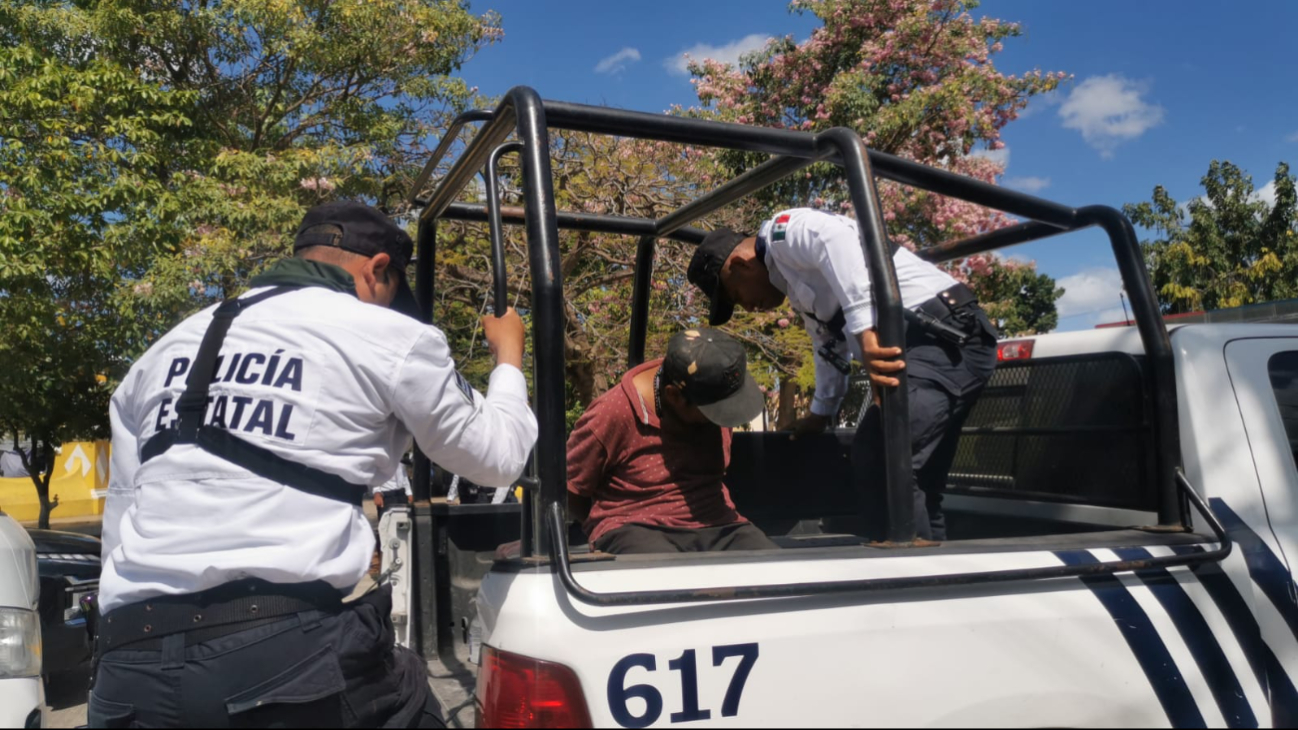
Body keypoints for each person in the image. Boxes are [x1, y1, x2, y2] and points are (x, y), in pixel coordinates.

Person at [97, 201, 537, 728]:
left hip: (127, 663)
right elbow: (499, 457)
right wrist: (508, 361)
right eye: (393, 290)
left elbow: (122, 511)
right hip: (284, 654)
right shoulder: (389, 335)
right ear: (377, 270)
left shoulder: (161, 351)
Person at [687, 208, 998, 542]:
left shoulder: (785, 232)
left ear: (740, 265)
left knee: (881, 453)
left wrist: (865, 331)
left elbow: (835, 240)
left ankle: (907, 572)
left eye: (736, 296)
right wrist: (820, 415)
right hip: (927, 349)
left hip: (944, 337)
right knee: (919, 480)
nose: (748, 307)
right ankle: (935, 573)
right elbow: (827, 344)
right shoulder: (798, 286)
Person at [567, 328, 778, 554]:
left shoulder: (716, 393)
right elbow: (571, 486)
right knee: (667, 577)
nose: (722, 420)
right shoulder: (613, 412)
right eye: (714, 413)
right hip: (635, 526)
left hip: (718, 522)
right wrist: (599, 531)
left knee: (775, 570)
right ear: (674, 396)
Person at [373, 455, 413, 521]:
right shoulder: (381, 457)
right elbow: (375, 474)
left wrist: (409, 493)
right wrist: (377, 493)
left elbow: (404, 474)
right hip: (387, 495)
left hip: (401, 494)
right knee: (387, 523)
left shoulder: (399, 457)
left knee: (403, 521)